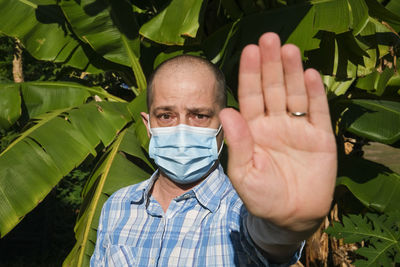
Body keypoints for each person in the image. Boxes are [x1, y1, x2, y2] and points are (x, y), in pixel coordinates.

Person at [90, 32, 337, 266]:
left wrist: (286, 223)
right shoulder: (118, 205)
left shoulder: (242, 209)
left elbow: (270, 236)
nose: (182, 129)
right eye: (166, 115)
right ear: (148, 125)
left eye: (199, 115)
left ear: (225, 125)